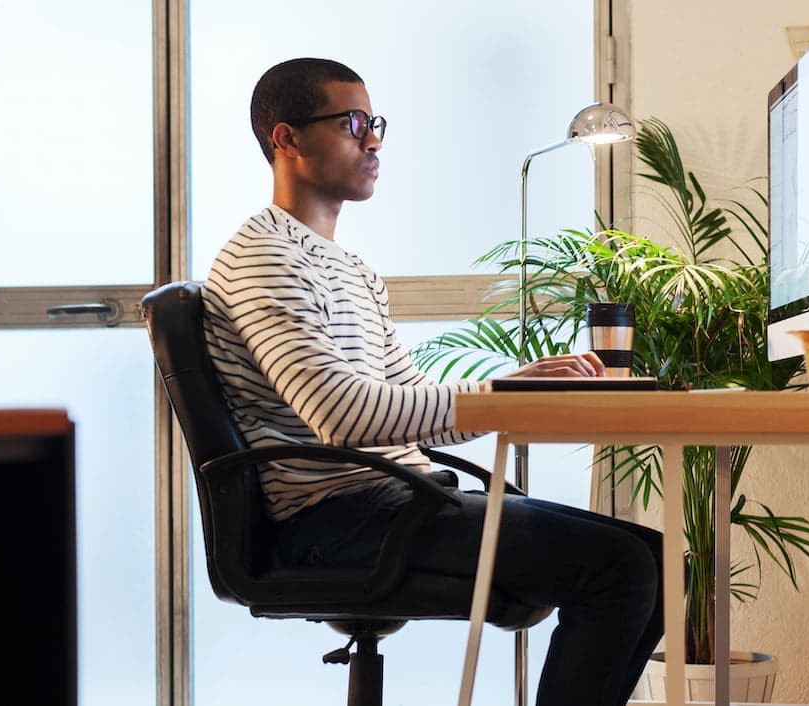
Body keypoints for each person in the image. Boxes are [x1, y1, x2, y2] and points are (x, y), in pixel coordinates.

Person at [202, 57, 663, 706]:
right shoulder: (263, 258)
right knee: (618, 569)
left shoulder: (351, 269)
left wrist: (513, 384)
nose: (374, 140)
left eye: (375, 122)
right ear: (287, 139)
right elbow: (347, 420)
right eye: (353, 123)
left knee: (654, 558)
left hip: (395, 497)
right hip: (332, 519)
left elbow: (408, 404)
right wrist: (506, 398)